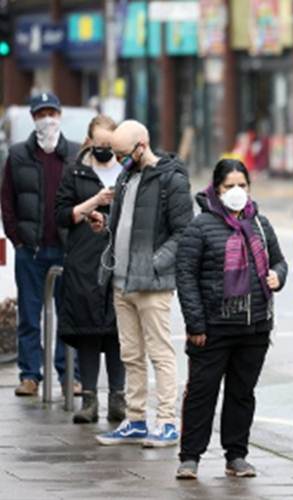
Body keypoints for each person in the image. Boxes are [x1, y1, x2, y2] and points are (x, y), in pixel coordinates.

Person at [174, 159, 287, 479]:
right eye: (229, 186)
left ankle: (236, 456)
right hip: (214, 327)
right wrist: (195, 324)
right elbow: (186, 276)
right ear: (216, 188)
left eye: (242, 185)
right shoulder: (201, 226)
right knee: (201, 392)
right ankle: (190, 457)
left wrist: (278, 276)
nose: (237, 192)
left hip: (255, 326)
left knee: (242, 393)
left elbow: (279, 262)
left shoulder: (261, 225)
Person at [89, 120, 193, 448]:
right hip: (122, 281)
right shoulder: (126, 175)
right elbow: (128, 225)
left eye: (123, 153)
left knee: (160, 353)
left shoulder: (171, 180)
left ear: (142, 145)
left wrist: (153, 263)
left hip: (152, 284)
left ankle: (166, 422)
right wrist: (106, 223)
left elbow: (183, 233)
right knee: (131, 354)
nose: (118, 160)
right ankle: (135, 420)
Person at [0, 92, 81, 397]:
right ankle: (30, 375)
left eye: (52, 112)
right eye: (41, 113)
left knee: (67, 316)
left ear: (59, 116)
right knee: (30, 316)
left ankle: (68, 374)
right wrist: (17, 238)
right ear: (34, 118)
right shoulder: (19, 155)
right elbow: (7, 200)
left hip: (65, 249)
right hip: (30, 250)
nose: (48, 119)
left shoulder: (74, 153)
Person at [55, 115, 126, 424]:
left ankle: (118, 399)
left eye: (109, 145)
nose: (104, 150)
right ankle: (89, 401)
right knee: (87, 331)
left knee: (118, 333)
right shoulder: (75, 172)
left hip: (120, 258)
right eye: (98, 145)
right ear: (88, 142)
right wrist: (94, 201)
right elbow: (60, 215)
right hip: (84, 259)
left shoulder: (128, 172)